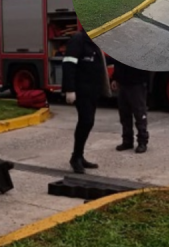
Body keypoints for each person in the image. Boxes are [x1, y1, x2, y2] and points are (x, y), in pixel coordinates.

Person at [62, 29, 110, 174]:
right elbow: (68, 64)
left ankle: (79, 156)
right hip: (81, 90)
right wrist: (69, 89)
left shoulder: (95, 41)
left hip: (93, 91)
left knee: (88, 122)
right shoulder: (79, 39)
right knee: (86, 121)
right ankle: (75, 158)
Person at [107, 57, 150, 154]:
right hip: (123, 83)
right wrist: (115, 79)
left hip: (137, 83)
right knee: (124, 114)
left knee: (139, 113)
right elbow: (117, 63)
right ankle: (127, 141)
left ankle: (142, 142)